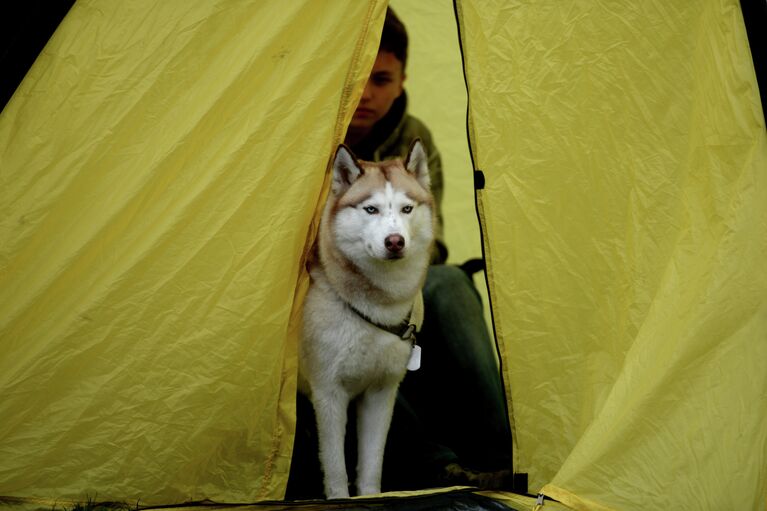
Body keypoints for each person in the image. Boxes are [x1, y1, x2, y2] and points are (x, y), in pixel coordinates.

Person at [287, 8, 514, 499]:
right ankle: (441, 467)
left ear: (402, 79)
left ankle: (505, 459)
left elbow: (432, 241)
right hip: (313, 287)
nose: (367, 93)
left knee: (450, 284)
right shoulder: (305, 136)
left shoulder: (417, 139)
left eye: (382, 78)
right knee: (361, 330)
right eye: (359, 78)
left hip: (401, 278)